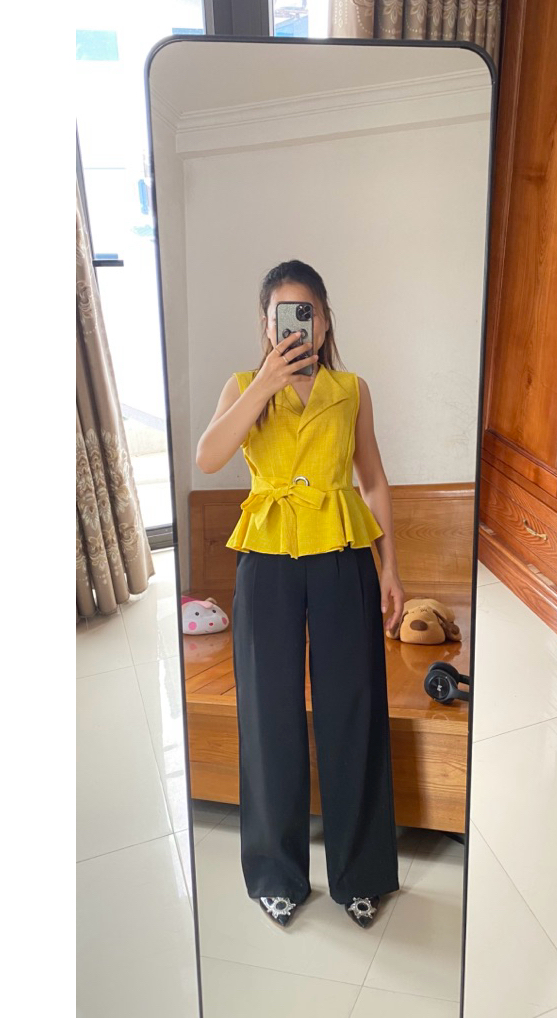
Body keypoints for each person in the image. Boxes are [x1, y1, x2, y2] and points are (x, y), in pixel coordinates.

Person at [195, 260, 406, 930]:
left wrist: (391, 568)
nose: (296, 324)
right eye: (282, 313)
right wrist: (265, 383)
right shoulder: (243, 386)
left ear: (325, 319)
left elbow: (373, 479)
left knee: (353, 710)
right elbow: (208, 456)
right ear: (266, 324)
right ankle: (276, 874)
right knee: (268, 715)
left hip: (342, 554)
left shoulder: (352, 389)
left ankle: (361, 874)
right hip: (267, 558)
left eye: (306, 311)